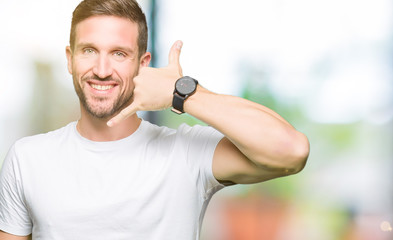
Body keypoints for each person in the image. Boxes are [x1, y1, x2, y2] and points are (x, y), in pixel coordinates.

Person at [0, 0, 310, 239]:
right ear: (70, 58)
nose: (102, 69)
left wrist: (184, 93)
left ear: (143, 64)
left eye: (119, 54)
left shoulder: (186, 153)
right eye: (89, 51)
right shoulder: (27, 158)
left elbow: (291, 150)